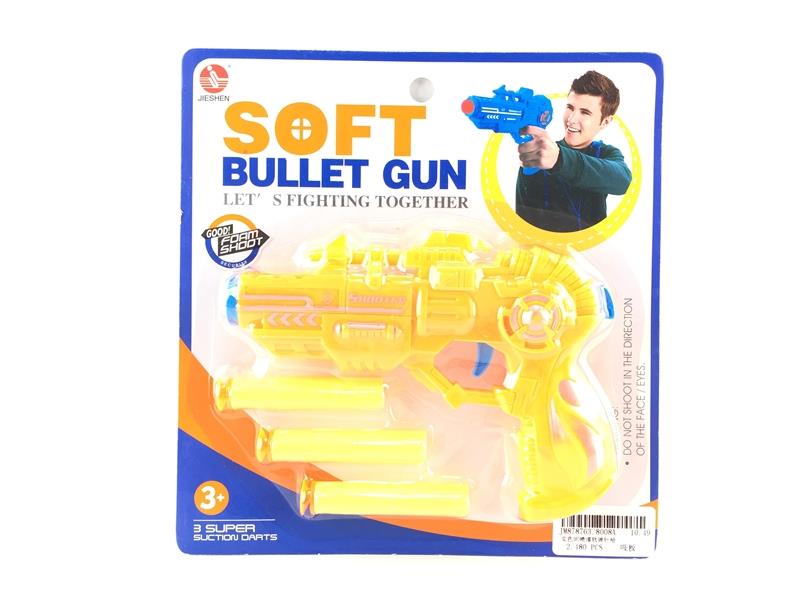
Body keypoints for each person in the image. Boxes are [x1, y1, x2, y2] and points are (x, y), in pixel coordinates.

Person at [516, 71, 632, 232]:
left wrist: (559, 159)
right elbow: (522, 220)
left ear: (605, 122)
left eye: (585, 112)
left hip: (592, 247)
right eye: (570, 108)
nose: (572, 119)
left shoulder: (607, 153)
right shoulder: (539, 153)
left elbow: (623, 181)